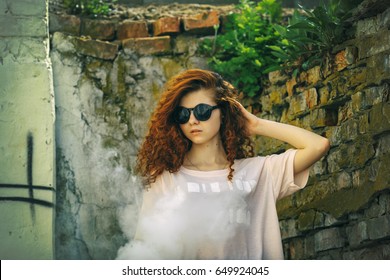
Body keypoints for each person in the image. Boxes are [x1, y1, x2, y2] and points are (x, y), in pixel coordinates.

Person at [120, 69, 330, 260]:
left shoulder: (259, 172)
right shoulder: (166, 179)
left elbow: (318, 146)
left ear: (223, 111)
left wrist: (257, 124)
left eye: (202, 111)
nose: (192, 120)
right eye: (183, 114)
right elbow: (144, 253)